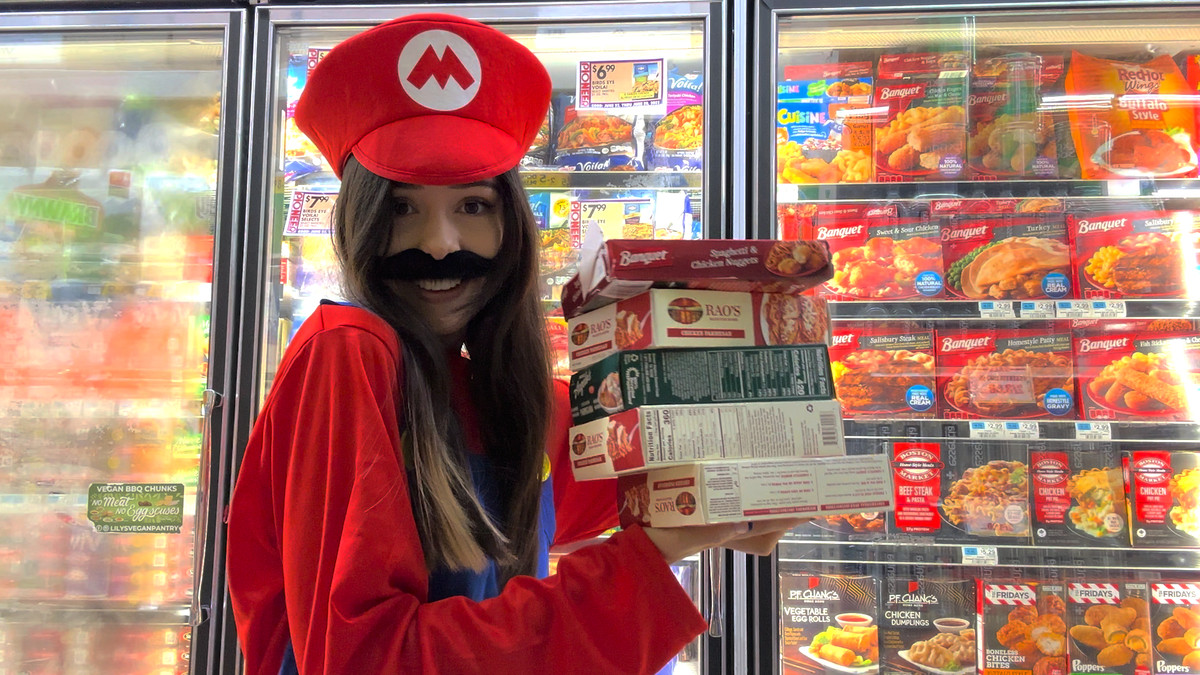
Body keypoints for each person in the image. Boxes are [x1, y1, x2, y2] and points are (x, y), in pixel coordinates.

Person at [226, 13, 802, 674]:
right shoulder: (346, 350)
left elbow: (642, 470)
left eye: (473, 205)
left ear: (512, 226)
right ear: (359, 220)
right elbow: (366, 658)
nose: (440, 242)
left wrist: (752, 483)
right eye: (402, 207)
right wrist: (645, 562)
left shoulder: (494, 396)